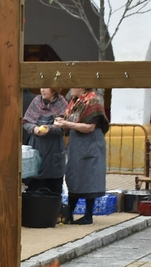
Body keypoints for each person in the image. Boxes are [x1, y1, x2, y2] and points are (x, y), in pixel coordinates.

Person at [54, 87, 109, 225]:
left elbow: (90, 127)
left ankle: (88, 215)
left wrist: (67, 124)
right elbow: (72, 120)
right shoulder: (75, 102)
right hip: (77, 144)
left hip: (91, 144)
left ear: (82, 86)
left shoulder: (92, 101)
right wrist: (63, 121)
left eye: (74, 86)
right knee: (74, 175)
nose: (71, 89)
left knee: (90, 177)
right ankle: (69, 213)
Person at [22, 87, 67, 197]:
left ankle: (54, 212)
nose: (42, 90)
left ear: (54, 89)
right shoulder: (37, 101)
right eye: (41, 87)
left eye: (46, 88)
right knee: (35, 188)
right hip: (37, 148)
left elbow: (65, 127)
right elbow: (26, 122)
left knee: (53, 189)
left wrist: (49, 129)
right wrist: (34, 129)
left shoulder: (62, 103)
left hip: (54, 151)